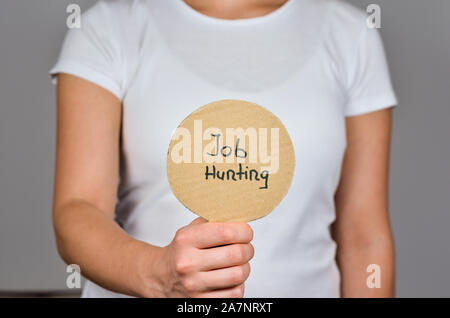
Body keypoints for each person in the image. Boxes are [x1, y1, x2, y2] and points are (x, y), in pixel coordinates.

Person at [50, 0, 397, 297]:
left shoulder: (350, 34)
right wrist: (159, 273)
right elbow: (78, 209)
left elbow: (363, 232)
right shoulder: (109, 26)